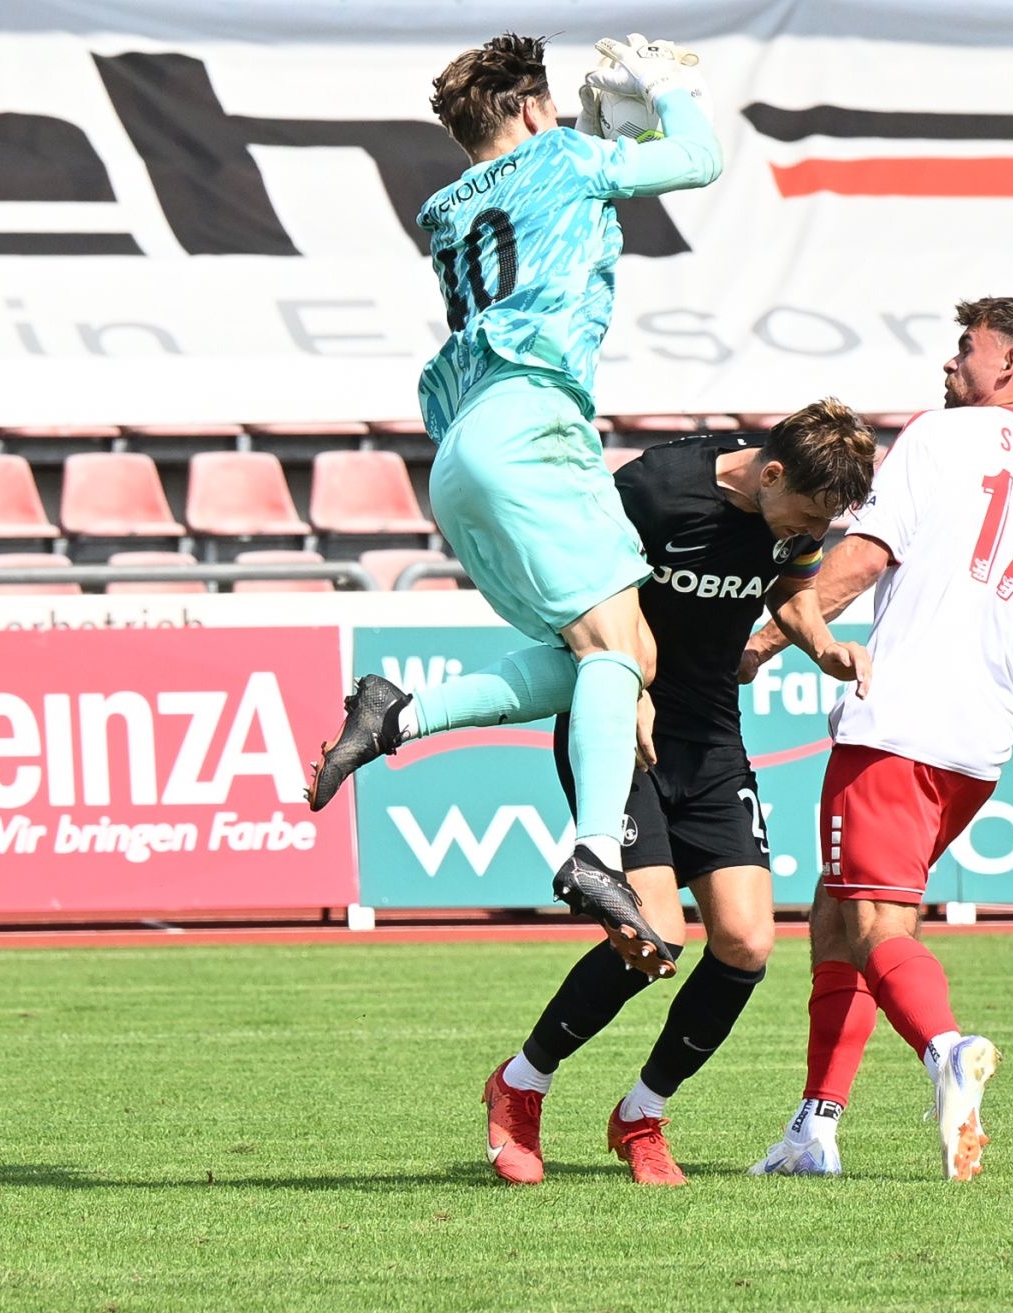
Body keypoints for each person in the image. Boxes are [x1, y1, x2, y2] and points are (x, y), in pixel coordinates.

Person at [305, 33, 723, 979]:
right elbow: (698, 160)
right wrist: (665, 94)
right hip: (533, 421)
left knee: (607, 656)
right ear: (534, 111)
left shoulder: (450, 207)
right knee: (621, 653)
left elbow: (548, 204)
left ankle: (397, 716)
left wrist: (603, 133)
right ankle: (596, 852)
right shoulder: (564, 157)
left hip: (461, 449)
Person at [742, 298, 1013, 1182]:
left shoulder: (941, 436)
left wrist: (759, 642)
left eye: (965, 348)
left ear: (1009, 363)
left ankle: (948, 1047)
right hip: (978, 743)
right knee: (839, 909)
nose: (950, 363)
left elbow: (863, 559)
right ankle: (815, 1127)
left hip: (898, 722)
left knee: (871, 922)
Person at [481, 399, 877, 1186]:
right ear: (770, 473)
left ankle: (642, 1112)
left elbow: (791, 588)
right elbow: (575, 598)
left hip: (712, 741)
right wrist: (626, 685)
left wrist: (822, 644)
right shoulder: (654, 490)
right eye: (805, 516)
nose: (809, 533)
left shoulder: (796, 515)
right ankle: (521, 1083)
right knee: (655, 936)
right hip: (616, 728)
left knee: (747, 943)